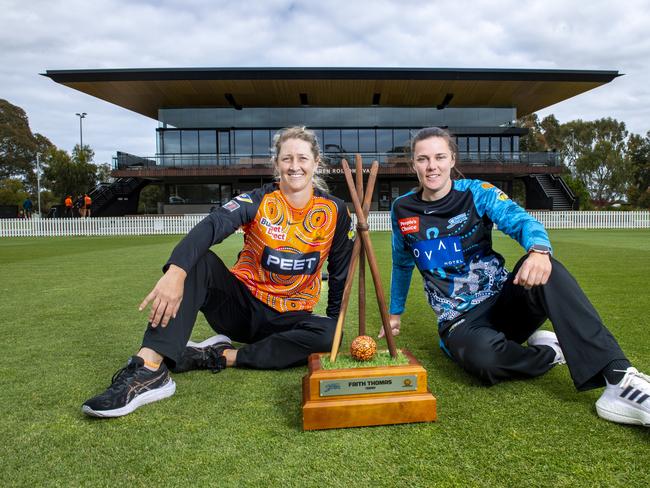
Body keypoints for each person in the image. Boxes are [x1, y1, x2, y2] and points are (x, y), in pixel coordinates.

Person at [82, 126, 354, 417]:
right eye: (286, 158)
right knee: (199, 262)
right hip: (240, 308)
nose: (294, 166)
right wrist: (176, 272)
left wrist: (336, 331)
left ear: (316, 162)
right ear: (276, 164)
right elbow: (213, 225)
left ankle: (220, 356)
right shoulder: (259, 200)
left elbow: (340, 273)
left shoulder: (335, 212)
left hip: (291, 317)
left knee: (329, 334)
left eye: (302, 158)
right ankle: (149, 369)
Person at [386, 127, 649, 427]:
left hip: (504, 301)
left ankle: (620, 380)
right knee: (483, 361)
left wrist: (539, 250)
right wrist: (395, 313)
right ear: (413, 164)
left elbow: (520, 220)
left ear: (452, 159)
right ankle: (549, 353)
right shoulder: (402, 208)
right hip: (459, 320)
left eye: (439, 157)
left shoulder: (477, 193)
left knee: (548, 269)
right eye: (423, 159)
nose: (432, 166)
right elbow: (402, 262)